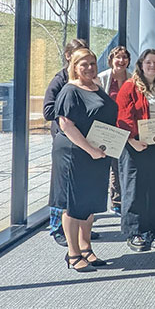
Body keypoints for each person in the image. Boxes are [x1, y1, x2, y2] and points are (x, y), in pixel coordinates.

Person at [54, 48, 115, 272]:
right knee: (73, 204)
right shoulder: (70, 90)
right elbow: (66, 125)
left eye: (92, 63)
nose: (89, 67)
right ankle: (73, 254)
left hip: (96, 153)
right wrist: (90, 149)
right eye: (84, 64)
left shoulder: (97, 87)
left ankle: (86, 248)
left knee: (88, 203)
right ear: (74, 66)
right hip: (74, 154)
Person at [117, 49, 155, 252]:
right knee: (134, 189)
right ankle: (135, 232)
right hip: (136, 146)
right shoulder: (129, 86)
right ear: (141, 64)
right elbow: (123, 118)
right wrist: (132, 140)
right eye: (148, 62)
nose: (152, 66)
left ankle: (154, 230)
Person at [44, 37, 89, 246]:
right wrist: (69, 112)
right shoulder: (60, 79)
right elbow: (47, 110)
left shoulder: (87, 80)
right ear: (68, 56)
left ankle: (79, 230)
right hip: (64, 138)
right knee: (61, 187)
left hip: (83, 139)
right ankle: (57, 228)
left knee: (80, 187)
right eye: (78, 54)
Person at [95, 46, 131, 216]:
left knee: (120, 166)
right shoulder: (102, 79)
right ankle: (107, 202)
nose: (121, 61)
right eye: (118, 57)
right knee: (105, 165)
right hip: (106, 128)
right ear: (111, 60)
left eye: (124, 57)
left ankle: (119, 200)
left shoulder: (132, 79)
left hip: (125, 128)